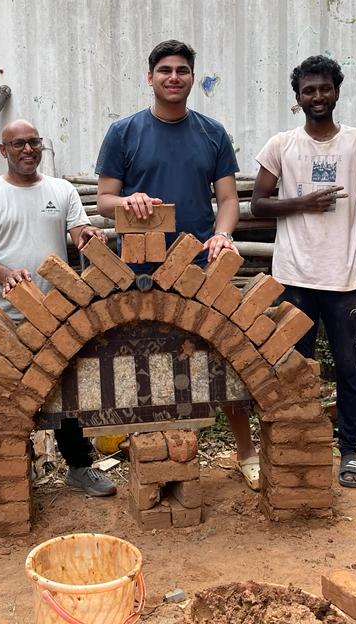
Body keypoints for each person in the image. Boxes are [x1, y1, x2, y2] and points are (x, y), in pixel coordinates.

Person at [95, 39, 261, 491]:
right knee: (143, 359)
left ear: (192, 78)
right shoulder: (124, 133)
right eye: (164, 70)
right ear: (149, 78)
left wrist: (222, 236)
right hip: (138, 269)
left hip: (199, 268)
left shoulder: (212, 133)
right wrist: (128, 199)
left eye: (182, 70)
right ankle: (151, 460)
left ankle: (246, 452)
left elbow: (228, 200)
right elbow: (104, 199)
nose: (173, 77)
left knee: (221, 353)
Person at [250, 55, 356, 488]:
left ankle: (350, 450)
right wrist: (302, 203)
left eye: (324, 89)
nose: (317, 97)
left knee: (348, 368)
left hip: (343, 277)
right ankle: (297, 444)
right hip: (294, 277)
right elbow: (257, 203)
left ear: (337, 91)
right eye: (308, 91)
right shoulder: (281, 146)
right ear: (297, 98)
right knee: (295, 367)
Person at [0, 119, 118, 497]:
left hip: (56, 314)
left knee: (66, 394)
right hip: (2, 315)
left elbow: (78, 231)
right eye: (18, 144)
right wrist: (5, 275)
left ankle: (79, 468)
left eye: (34, 142)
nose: (27, 150)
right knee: (7, 396)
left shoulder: (60, 190)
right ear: (3, 151)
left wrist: (90, 236)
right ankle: (15, 471)